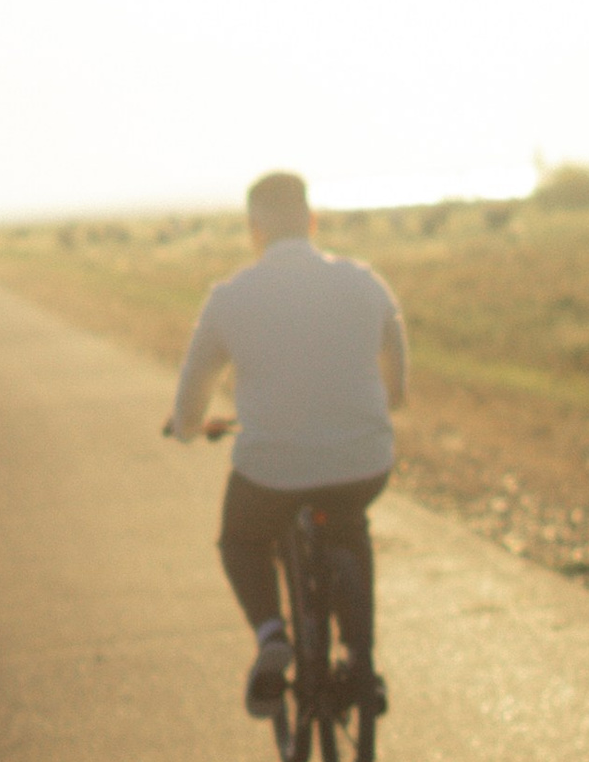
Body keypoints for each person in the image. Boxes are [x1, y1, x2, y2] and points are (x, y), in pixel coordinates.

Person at [162, 171, 406, 715]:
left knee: (243, 540)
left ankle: (273, 635)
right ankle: (362, 662)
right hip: (363, 459)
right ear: (312, 222)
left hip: (272, 470)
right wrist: (385, 403)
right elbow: (397, 361)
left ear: (254, 231)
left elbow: (194, 386)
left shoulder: (229, 298)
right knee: (349, 524)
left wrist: (185, 427)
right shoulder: (364, 281)